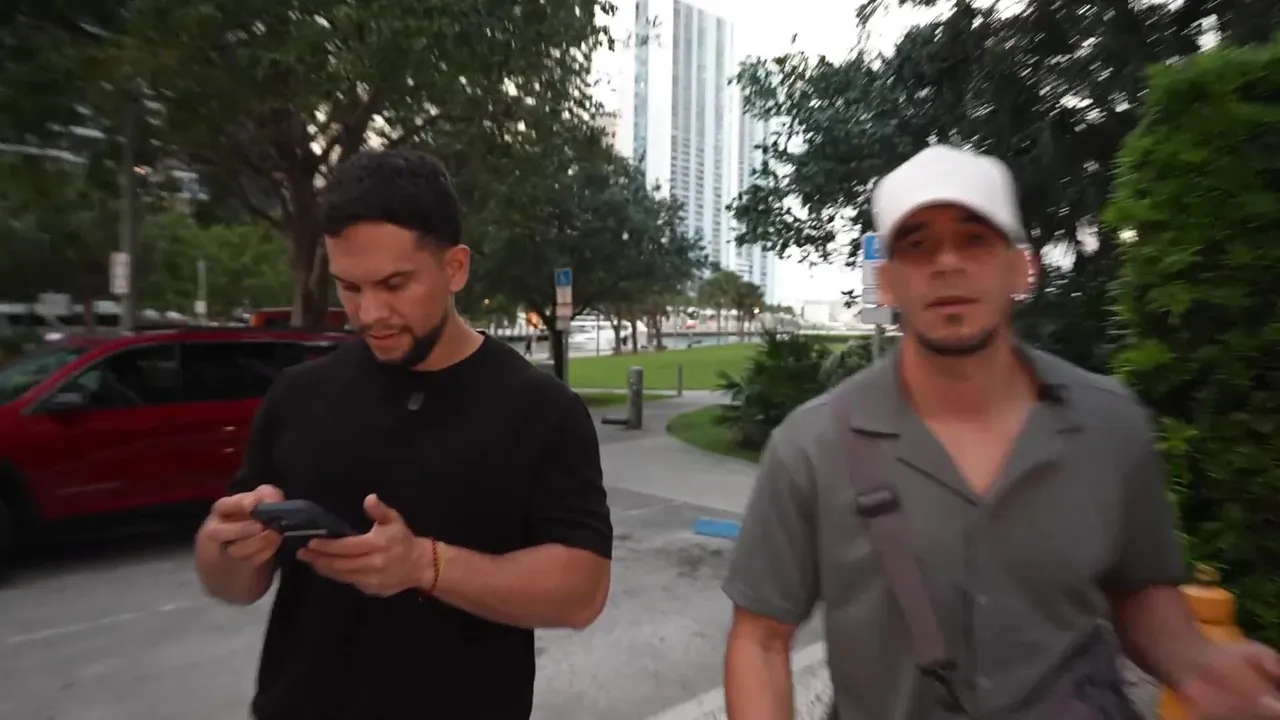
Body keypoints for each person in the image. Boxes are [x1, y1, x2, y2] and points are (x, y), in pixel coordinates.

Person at [720, 145, 1280, 719]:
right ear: (885, 283)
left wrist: (1195, 664)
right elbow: (761, 641)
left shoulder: (1109, 424)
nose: (947, 263)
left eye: (975, 240)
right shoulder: (811, 447)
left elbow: (1139, 591)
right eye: (918, 246)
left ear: (1022, 269)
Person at [193, 149, 613, 720]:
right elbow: (234, 586)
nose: (369, 313)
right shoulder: (297, 395)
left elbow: (583, 592)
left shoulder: (542, 410)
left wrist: (424, 564)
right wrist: (225, 548)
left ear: (455, 268)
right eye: (350, 287)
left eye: (395, 284)